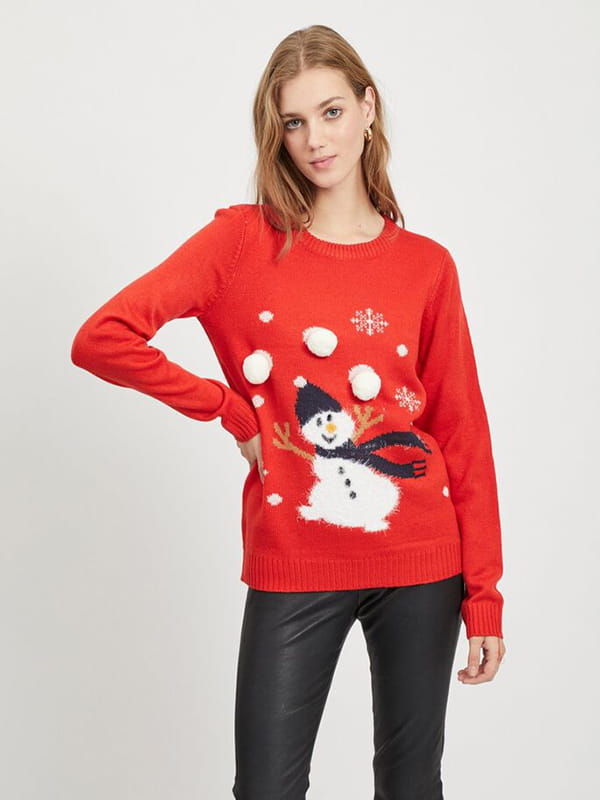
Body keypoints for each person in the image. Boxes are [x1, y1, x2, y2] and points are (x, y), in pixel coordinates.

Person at [71, 23, 506, 800]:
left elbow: (461, 431)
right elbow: (102, 337)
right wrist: (229, 410)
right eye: (294, 122)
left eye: (331, 112)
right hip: (296, 555)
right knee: (266, 789)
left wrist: (485, 597)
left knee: (411, 785)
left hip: (422, 559)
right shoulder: (242, 242)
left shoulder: (426, 266)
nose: (315, 140)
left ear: (368, 109)